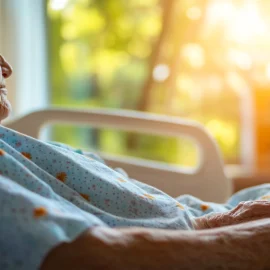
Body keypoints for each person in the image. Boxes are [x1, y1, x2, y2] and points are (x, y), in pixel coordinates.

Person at [1, 54, 270, 270]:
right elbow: (87, 258)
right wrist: (251, 239)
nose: (6, 67)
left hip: (210, 220)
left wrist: (221, 221)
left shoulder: (15, 144)